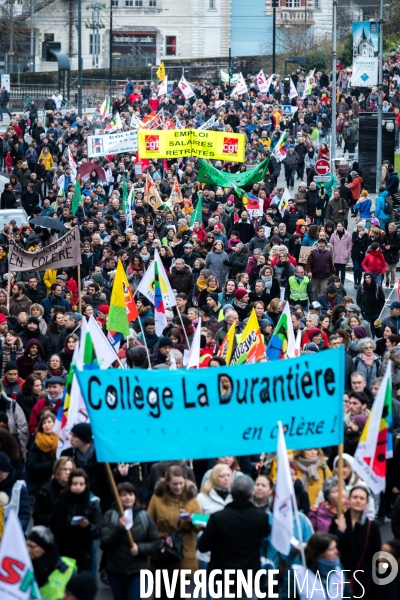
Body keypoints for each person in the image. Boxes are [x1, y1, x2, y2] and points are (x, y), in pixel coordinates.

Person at [197, 475, 270, 592]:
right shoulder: (261, 518)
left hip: (221, 579)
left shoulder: (217, 518)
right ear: (251, 494)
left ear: (231, 492)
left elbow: (203, 547)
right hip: (250, 579)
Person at [100, 482, 160, 600]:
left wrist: (140, 549)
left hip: (138, 570)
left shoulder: (145, 516)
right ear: (117, 497)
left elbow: (156, 544)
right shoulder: (110, 515)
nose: (127, 497)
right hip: (116, 570)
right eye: (123, 495)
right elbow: (104, 543)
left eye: (131, 494)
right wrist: (119, 528)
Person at [147, 465, 202, 578]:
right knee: (161, 592)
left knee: (179, 593)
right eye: (174, 484)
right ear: (167, 483)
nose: (178, 487)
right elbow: (149, 522)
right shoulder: (157, 497)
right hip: (162, 549)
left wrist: (193, 519)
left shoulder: (191, 498)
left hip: (184, 550)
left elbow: (202, 522)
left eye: (181, 483)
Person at [330, 484, 381, 598]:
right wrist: (340, 532)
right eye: (355, 497)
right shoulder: (338, 519)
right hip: (339, 575)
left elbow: (376, 554)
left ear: (366, 502)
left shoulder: (372, 526)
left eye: (362, 498)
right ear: (349, 499)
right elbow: (329, 547)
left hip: (362, 578)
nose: (358, 500)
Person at [51, 467, 102, 571]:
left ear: (86, 485)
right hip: (63, 549)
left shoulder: (92, 503)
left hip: (83, 553)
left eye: (81, 484)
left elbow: (97, 531)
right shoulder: (62, 500)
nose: (78, 487)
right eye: (74, 484)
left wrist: (87, 526)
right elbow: (53, 523)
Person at [291, 532, 351, 598]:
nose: (336, 551)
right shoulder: (297, 572)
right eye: (331, 549)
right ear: (319, 553)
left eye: (335, 547)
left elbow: (346, 595)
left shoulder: (338, 567)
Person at [27, 526, 77, 599]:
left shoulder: (66, 570)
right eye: (27, 544)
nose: (27, 549)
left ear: (44, 547)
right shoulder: (23, 563)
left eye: (32, 546)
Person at [33, 456, 75, 526]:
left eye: (70, 470)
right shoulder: (45, 491)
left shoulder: (77, 489)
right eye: (64, 469)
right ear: (57, 470)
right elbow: (37, 516)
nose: (68, 472)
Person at [26, 412, 59, 497]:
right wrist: (52, 464)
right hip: (42, 485)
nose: (47, 425)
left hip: (59, 483)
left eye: (49, 422)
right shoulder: (37, 442)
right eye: (44, 423)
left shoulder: (61, 440)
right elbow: (31, 466)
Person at [0, 451, 30, 531]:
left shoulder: (19, 487)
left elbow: (24, 514)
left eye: (1, 472)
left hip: (13, 535)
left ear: (8, 471)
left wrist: (17, 530)